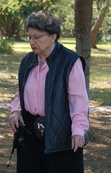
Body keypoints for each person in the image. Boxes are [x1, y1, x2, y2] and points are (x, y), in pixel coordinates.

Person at [8, 11, 89, 173]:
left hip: (61, 135)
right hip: (30, 133)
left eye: (37, 37)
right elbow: (22, 90)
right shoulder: (27, 60)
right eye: (29, 37)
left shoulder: (70, 61)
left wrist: (79, 131)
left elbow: (78, 100)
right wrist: (15, 109)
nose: (32, 42)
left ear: (53, 36)